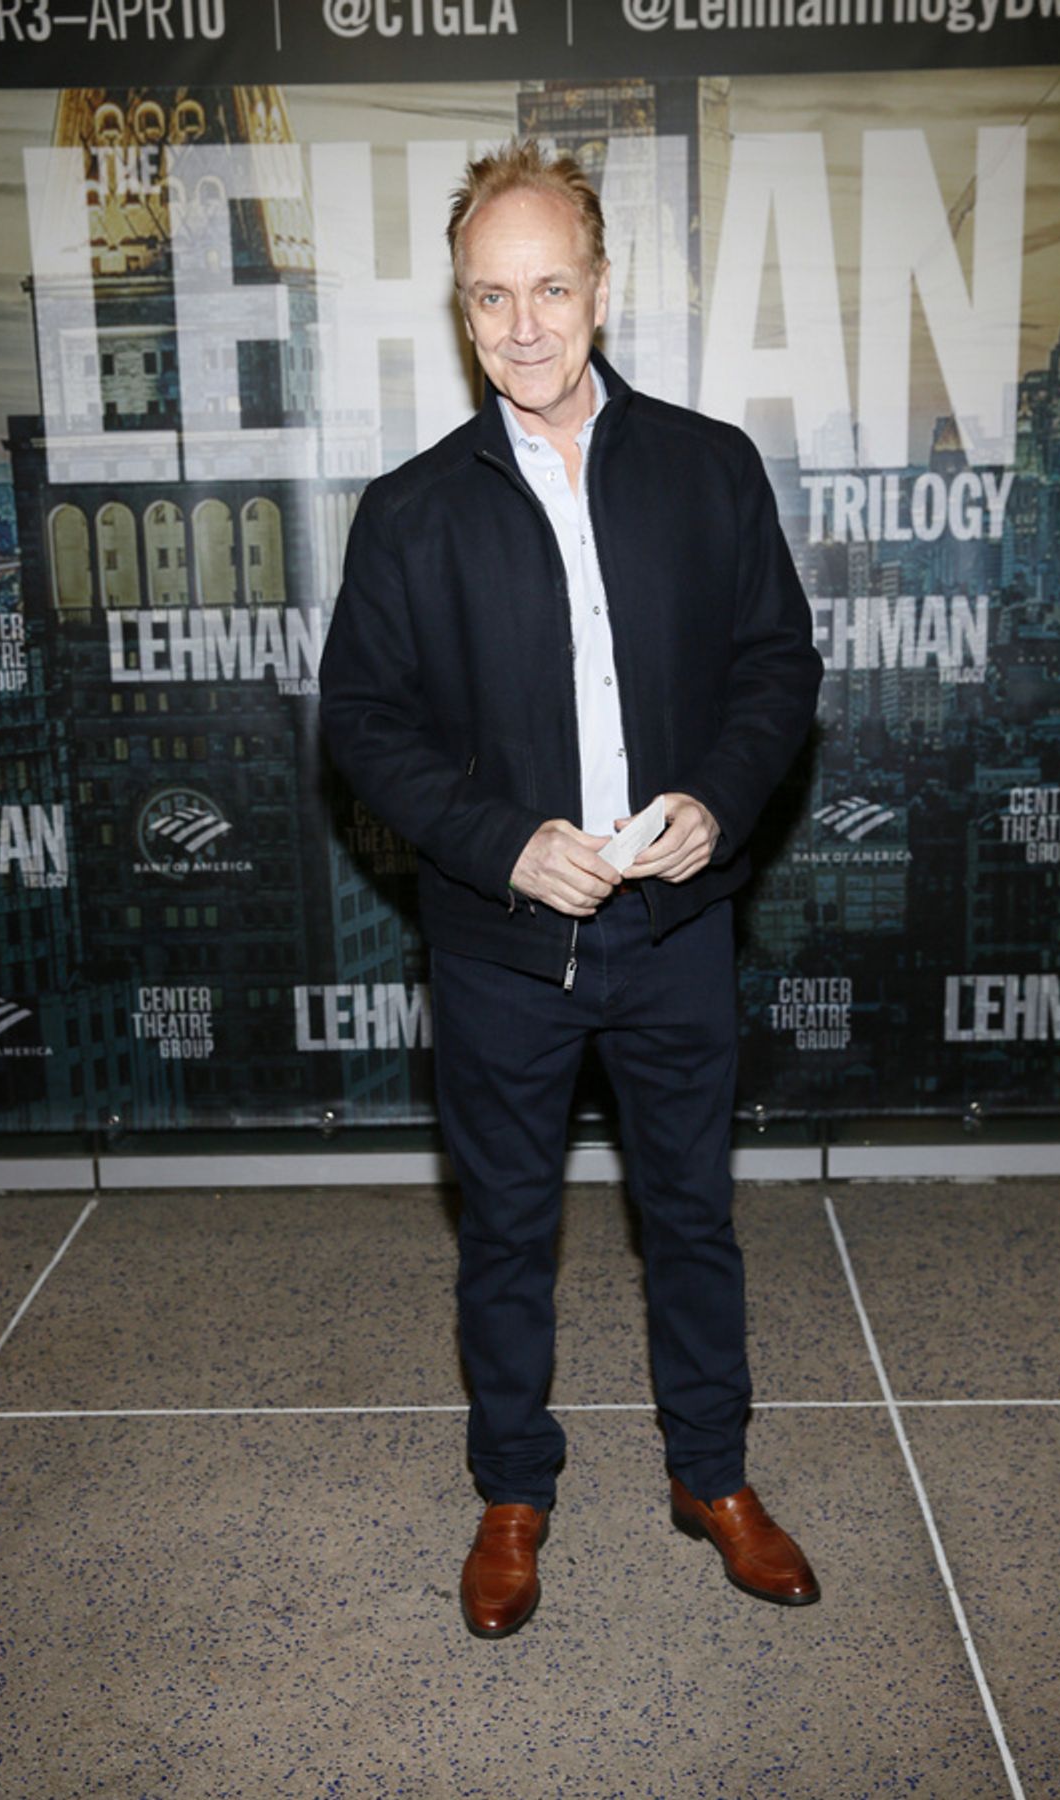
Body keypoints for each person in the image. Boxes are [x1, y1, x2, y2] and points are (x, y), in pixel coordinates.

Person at [320, 139, 823, 1639]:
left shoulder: (710, 468)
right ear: (462, 310)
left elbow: (777, 666)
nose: (524, 324)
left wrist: (716, 801)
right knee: (505, 1233)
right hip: (500, 944)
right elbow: (365, 723)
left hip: (676, 927)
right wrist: (500, 842)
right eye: (492, 296)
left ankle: (712, 1477)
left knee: (693, 1218)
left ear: (602, 289)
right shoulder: (410, 510)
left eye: (550, 288)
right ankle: (513, 1493)